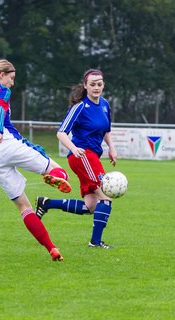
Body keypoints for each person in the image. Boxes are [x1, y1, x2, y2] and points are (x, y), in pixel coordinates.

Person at [0, 59, 72, 261]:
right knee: (59, 171)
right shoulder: (0, 90)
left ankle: (52, 248)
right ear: (1, 75)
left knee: (24, 208)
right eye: (11, 78)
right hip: (8, 143)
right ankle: (51, 177)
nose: (12, 83)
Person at [36, 68, 117, 248]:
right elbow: (61, 133)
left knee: (91, 206)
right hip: (82, 156)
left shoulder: (104, 105)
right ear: (86, 86)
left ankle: (47, 203)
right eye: (92, 84)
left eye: (99, 84)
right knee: (106, 197)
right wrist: (74, 148)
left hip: (93, 157)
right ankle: (95, 242)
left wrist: (112, 148)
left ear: (103, 85)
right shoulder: (80, 107)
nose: (96, 87)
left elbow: (106, 130)